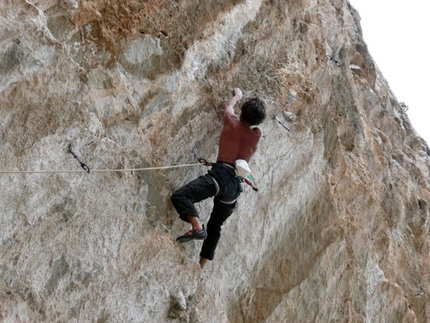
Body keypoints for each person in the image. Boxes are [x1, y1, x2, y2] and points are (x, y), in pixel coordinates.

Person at [171, 88, 266, 268]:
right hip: (234, 187)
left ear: (243, 111)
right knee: (216, 227)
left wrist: (238, 95)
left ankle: (197, 227)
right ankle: (201, 266)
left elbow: (228, 106)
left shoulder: (231, 122)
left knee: (180, 196)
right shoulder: (256, 136)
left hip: (219, 177)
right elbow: (253, 128)